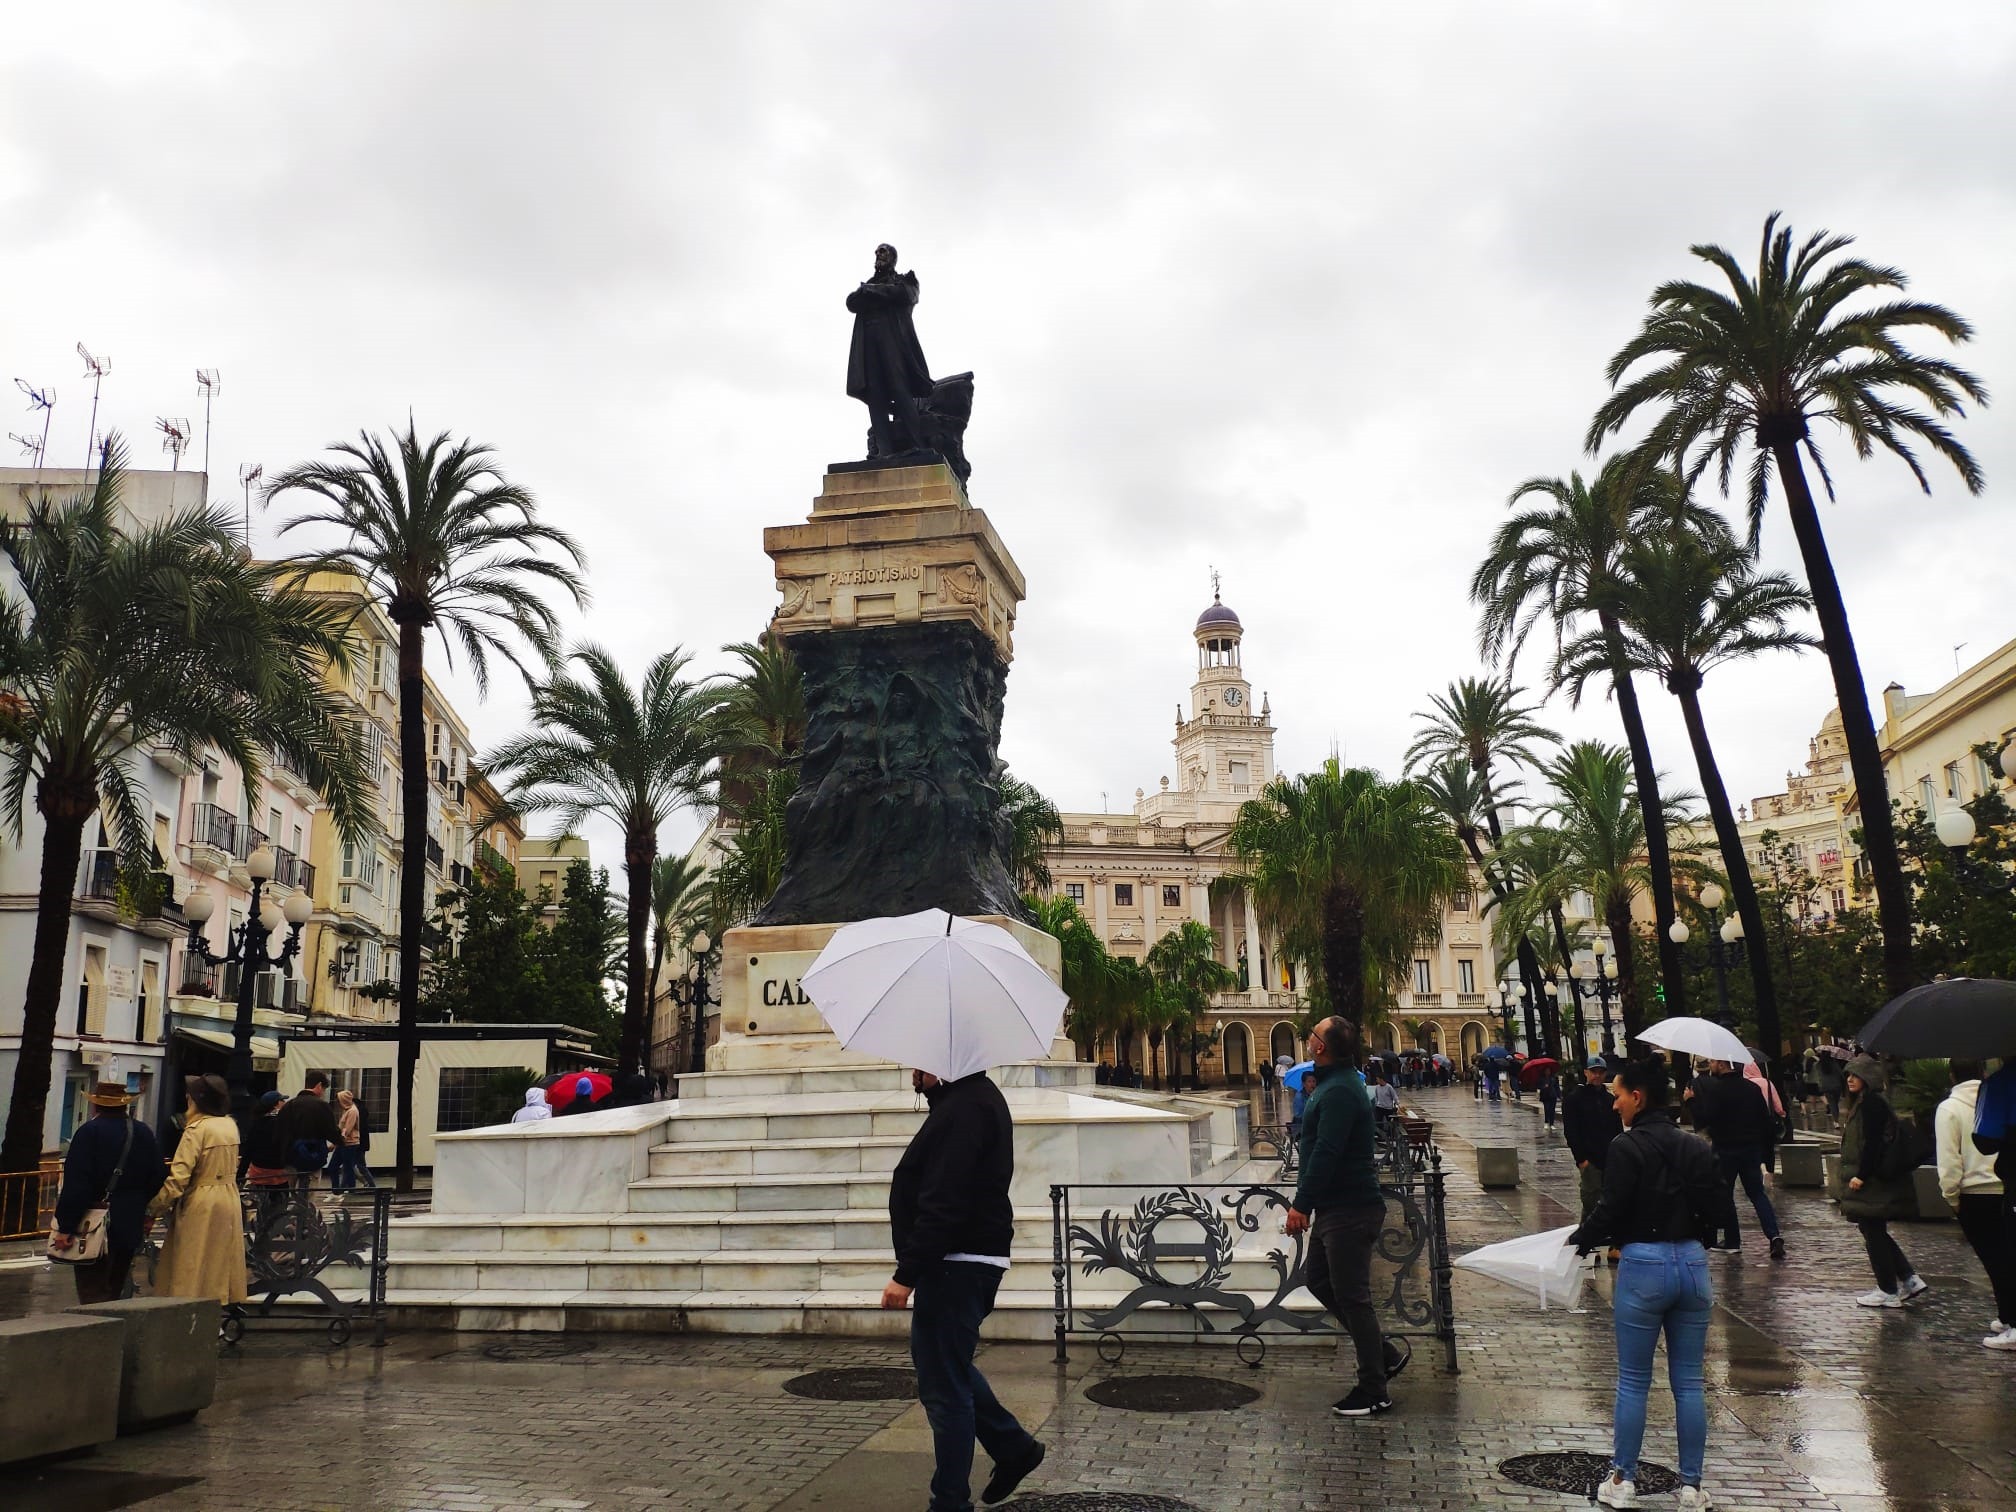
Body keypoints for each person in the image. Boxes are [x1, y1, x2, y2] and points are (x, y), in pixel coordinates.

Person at [882, 1065, 1043, 1512]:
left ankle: (950, 1502)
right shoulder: (964, 1103)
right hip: (960, 1260)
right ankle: (1013, 1447)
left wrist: (906, 1274)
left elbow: (945, 1200)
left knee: (944, 1390)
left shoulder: (966, 1108)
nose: (914, 1073)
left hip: (958, 1263)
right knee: (946, 1368)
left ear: (947, 1063)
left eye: (921, 1065)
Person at [1569, 1059, 1721, 1511]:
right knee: (1689, 1382)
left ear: (1638, 1097)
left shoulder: (1626, 1146)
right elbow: (1718, 1209)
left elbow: (1610, 1208)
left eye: (1618, 1095)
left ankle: (1622, 1480)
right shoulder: (1695, 1146)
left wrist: (1580, 1240)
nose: (1614, 1104)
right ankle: (1692, 1488)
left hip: (1644, 1265)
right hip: (1692, 1264)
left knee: (1634, 1380)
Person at [1284, 1017, 1402, 1418]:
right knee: (1318, 1279)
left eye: (1313, 1034)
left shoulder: (1338, 1091)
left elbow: (1327, 1152)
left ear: (1321, 1047)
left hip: (1350, 1207)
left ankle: (1373, 1389)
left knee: (1353, 1298)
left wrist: (1301, 1204)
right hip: (1336, 1207)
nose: (1308, 1036)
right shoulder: (1333, 1083)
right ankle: (1383, 1354)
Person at [50, 1081, 168, 1304]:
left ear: (96, 1105)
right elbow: (158, 1174)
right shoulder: (142, 1132)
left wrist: (66, 1227)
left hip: (94, 1222)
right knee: (116, 1284)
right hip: (130, 1219)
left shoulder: (88, 1133)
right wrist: (142, 1206)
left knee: (92, 1288)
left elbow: (77, 1184)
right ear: (125, 1105)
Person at [149, 1074, 249, 1307]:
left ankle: (189, 1312)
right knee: (220, 1261)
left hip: (202, 1199)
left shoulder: (196, 1129)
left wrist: (155, 1207)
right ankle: (218, 1306)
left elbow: (179, 1177)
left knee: (192, 1262)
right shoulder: (229, 1125)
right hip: (228, 1196)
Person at [1835, 1056, 1925, 1309]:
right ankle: (1909, 1279)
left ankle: (1888, 1289)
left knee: (1873, 1232)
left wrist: (1861, 1175)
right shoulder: (1865, 1103)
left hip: (1872, 1181)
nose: (1850, 1079)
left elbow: (1873, 1143)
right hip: (1872, 1180)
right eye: (1848, 1075)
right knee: (1874, 1230)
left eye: (1856, 1075)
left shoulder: (1871, 1104)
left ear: (1868, 1078)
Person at [1936, 1059, 2014, 1349]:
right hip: (2005, 1186)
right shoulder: (1998, 1095)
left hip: (1975, 1192)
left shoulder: (1950, 1108)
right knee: (2005, 1256)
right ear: (1982, 1071)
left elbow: (1949, 1161)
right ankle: (2006, 1315)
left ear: (1951, 1075)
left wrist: (1950, 1196)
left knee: (1995, 1260)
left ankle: (2012, 1320)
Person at [1684, 1059, 1785, 1260]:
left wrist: (1690, 1101)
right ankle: (1774, 1236)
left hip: (1725, 1150)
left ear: (1723, 1065)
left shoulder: (1717, 1090)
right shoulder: (1752, 1089)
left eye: (1714, 1061)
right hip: (1750, 1149)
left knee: (1725, 1194)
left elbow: (1705, 1119)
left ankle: (1732, 1241)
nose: (1711, 1064)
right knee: (1757, 1194)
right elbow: (1764, 1121)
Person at [1564, 1057, 1625, 1238]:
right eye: (1593, 1072)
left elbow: (1617, 1128)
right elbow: (1571, 1131)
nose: (1597, 1075)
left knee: (1606, 1199)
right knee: (1591, 1198)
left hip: (1609, 1158)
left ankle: (1587, 1237)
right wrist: (1581, 1159)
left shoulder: (1609, 1099)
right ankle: (1588, 1237)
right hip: (1589, 1159)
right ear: (1586, 1073)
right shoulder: (1575, 1099)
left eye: (1600, 1072)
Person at [278, 1072, 342, 1184]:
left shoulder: (288, 1105)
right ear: (319, 1085)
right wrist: (339, 1140)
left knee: (290, 1190)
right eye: (324, 1089)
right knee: (310, 1190)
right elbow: (331, 1131)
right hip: (314, 1157)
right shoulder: (322, 1106)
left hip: (290, 1158)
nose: (323, 1093)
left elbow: (279, 1132)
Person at [241, 1090, 291, 1193]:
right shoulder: (283, 1123)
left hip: (258, 1172)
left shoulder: (256, 1123)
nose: (285, 1103)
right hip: (278, 1173)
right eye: (282, 1100)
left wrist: (240, 1174)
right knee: (281, 1199)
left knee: (261, 1200)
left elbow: (248, 1151)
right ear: (276, 1104)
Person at [330, 1089, 374, 1191]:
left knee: (348, 1167)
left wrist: (335, 1142)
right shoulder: (348, 1110)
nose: (338, 1104)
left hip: (350, 1143)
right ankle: (344, 1189)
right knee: (349, 1167)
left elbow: (347, 1129)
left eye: (339, 1101)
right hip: (348, 1143)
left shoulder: (352, 1111)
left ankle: (343, 1189)